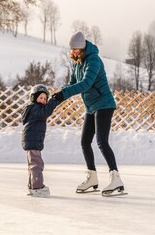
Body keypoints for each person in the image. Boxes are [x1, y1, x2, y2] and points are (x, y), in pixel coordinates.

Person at [53, 31, 125, 196]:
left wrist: (64, 94)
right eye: (72, 49)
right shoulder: (76, 63)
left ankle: (116, 178)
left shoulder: (94, 60)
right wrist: (58, 97)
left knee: (101, 142)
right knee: (85, 142)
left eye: (76, 49)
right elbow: (72, 83)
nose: (74, 52)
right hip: (91, 106)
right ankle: (92, 177)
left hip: (104, 104)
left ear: (83, 47)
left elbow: (85, 84)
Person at [22, 84, 59, 197]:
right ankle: (37, 187)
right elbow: (45, 112)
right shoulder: (35, 108)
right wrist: (54, 101)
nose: (43, 100)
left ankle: (32, 186)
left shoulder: (33, 108)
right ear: (34, 98)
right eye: (40, 98)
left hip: (32, 141)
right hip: (33, 141)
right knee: (37, 164)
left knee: (33, 164)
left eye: (45, 98)